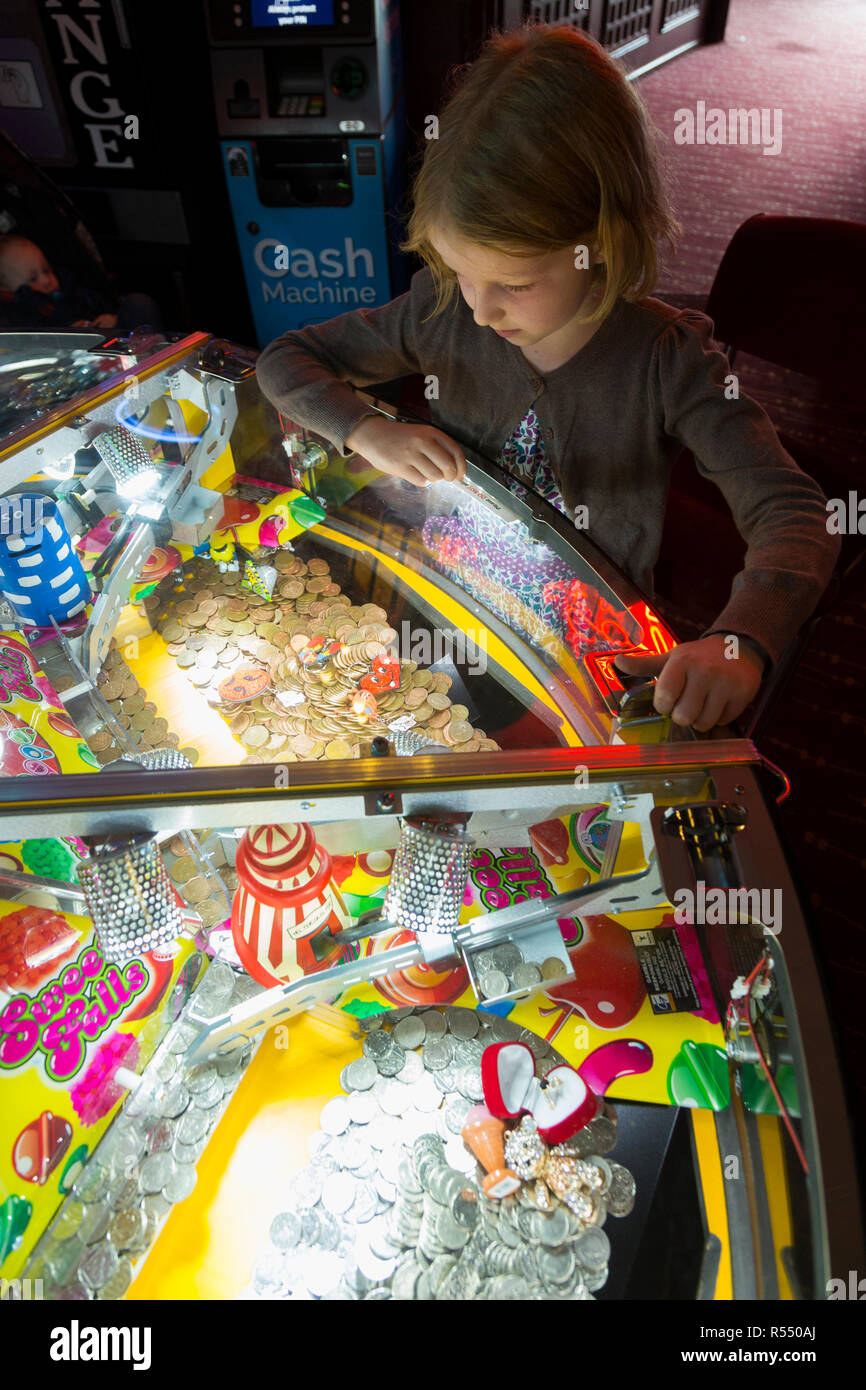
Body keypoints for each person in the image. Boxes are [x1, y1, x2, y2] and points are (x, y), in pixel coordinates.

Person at [255, 24, 839, 733]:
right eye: (460, 271)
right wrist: (366, 428)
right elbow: (285, 359)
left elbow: (796, 512)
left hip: (584, 643)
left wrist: (741, 638)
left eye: (514, 282)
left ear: (605, 243)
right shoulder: (446, 310)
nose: (480, 306)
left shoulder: (667, 358)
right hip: (444, 593)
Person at [0, 234, 161, 333]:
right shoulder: (23, 315)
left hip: (112, 338)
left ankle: (157, 350)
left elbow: (98, 303)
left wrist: (110, 318)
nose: (46, 280)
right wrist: (70, 333)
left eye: (46, 270)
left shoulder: (69, 287)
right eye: (32, 279)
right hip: (75, 360)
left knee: (138, 303)